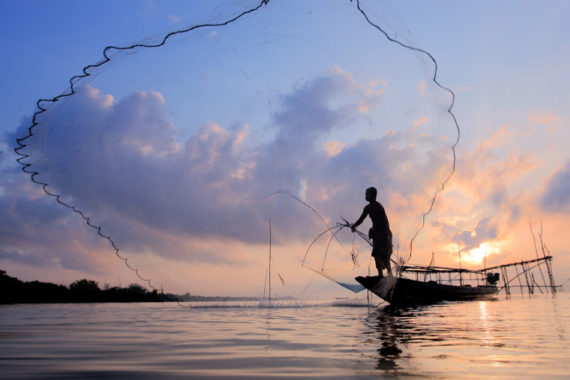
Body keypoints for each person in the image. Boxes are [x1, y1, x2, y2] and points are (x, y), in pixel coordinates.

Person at [351, 187, 393, 277]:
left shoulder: (379, 206)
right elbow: (361, 219)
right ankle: (380, 275)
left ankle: (390, 275)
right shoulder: (367, 208)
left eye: (367, 194)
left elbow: (385, 222)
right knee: (376, 254)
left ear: (373, 196)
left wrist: (386, 235)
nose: (366, 196)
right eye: (366, 194)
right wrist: (354, 225)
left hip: (384, 234)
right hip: (377, 235)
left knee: (385, 255)